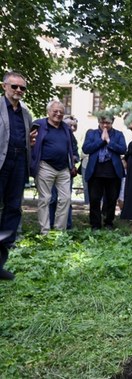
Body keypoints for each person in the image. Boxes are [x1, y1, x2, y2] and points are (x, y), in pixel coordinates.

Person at [0, 71, 35, 280]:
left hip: (19, 161)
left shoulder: (25, 113)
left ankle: (0, 262)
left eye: (22, 88)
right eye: (15, 87)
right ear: (4, 86)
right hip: (1, 162)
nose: (19, 91)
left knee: (13, 209)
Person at [30, 101, 76, 234]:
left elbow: (71, 146)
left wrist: (72, 163)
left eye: (61, 111)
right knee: (45, 199)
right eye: (55, 111)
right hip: (45, 166)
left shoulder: (66, 128)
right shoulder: (38, 125)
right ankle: (45, 231)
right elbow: (29, 142)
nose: (58, 114)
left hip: (64, 168)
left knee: (65, 198)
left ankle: (59, 231)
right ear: (48, 111)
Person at [82, 116, 127, 230]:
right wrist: (101, 141)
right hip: (96, 171)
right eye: (103, 122)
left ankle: (109, 223)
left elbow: (123, 149)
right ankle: (95, 224)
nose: (105, 125)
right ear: (98, 122)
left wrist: (109, 141)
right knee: (94, 199)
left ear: (112, 122)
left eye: (108, 123)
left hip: (113, 171)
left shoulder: (118, 134)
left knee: (112, 199)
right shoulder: (91, 133)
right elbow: (86, 148)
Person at [49, 115, 79, 229]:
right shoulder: (54, 134)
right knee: (51, 199)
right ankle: (50, 225)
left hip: (66, 171)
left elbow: (76, 153)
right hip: (51, 170)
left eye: (73, 126)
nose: (71, 128)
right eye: (69, 125)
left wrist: (73, 159)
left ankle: (67, 225)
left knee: (66, 199)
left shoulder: (72, 138)